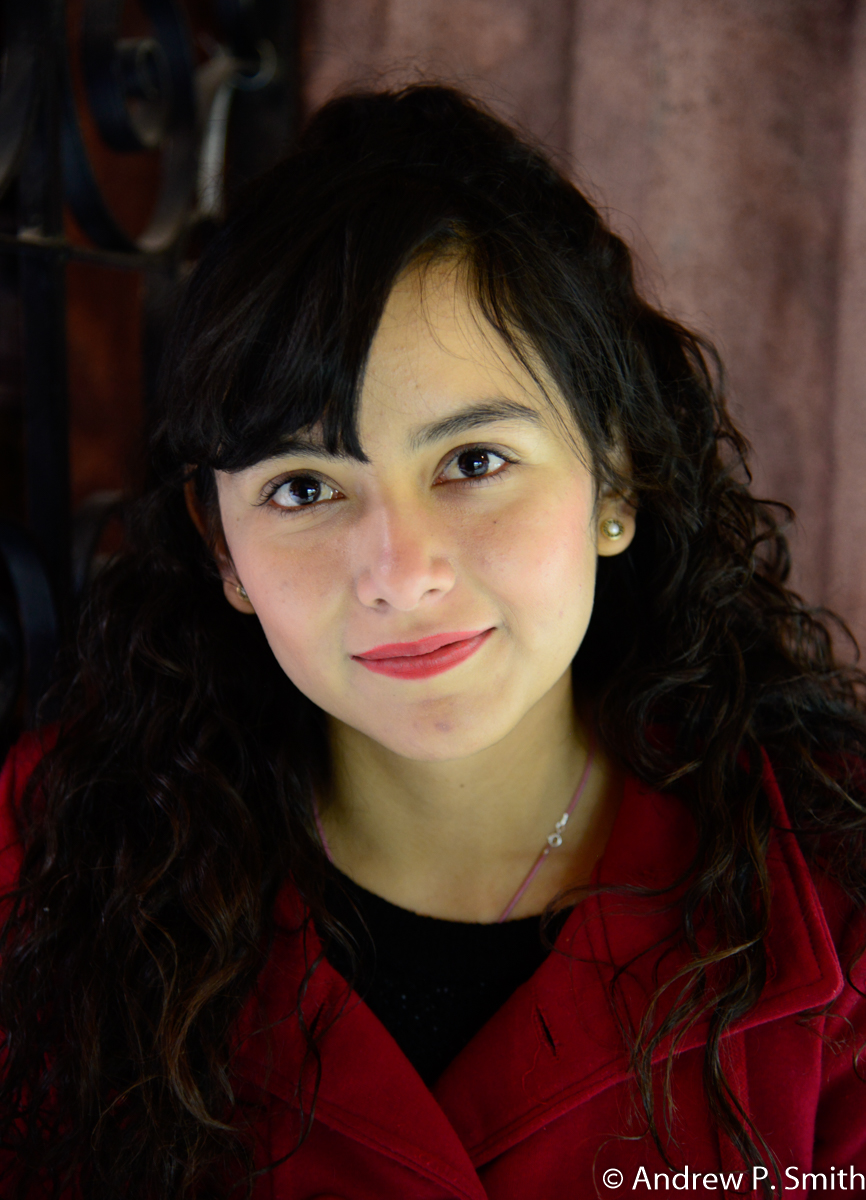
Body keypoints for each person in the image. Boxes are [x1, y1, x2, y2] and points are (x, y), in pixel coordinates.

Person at [1, 84, 865, 1200]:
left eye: (471, 463)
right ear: (221, 549)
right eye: (303, 486)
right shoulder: (55, 866)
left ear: (614, 480)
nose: (399, 574)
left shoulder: (831, 890)